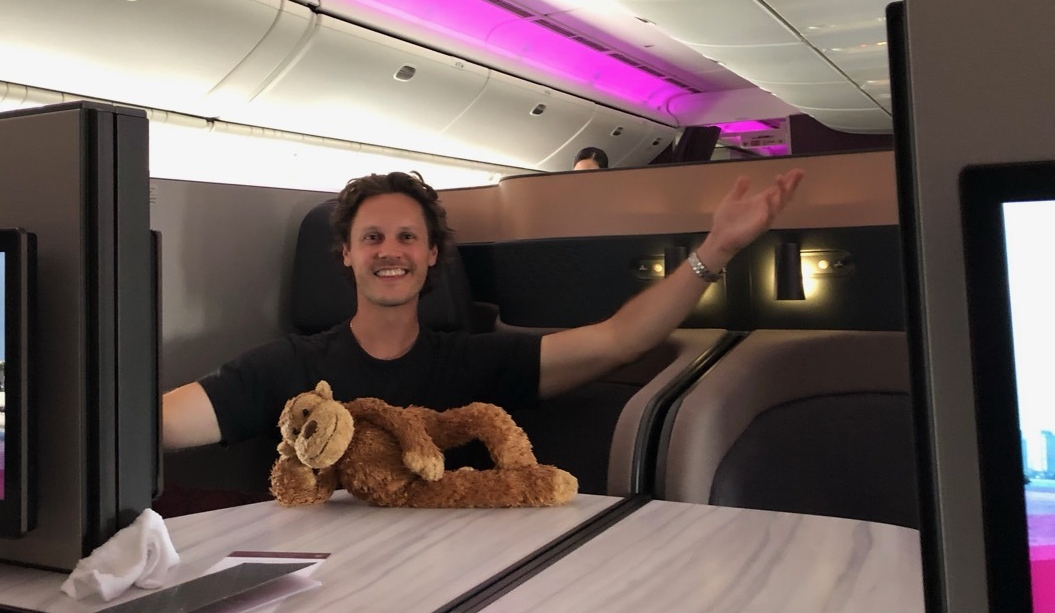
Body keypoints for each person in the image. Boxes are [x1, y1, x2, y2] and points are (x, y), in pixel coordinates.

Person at [161, 167, 805, 450]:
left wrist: (715, 249)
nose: (391, 251)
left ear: (433, 255)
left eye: (408, 237)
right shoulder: (287, 369)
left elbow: (618, 341)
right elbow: (160, 424)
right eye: (373, 238)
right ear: (346, 257)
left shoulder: (476, 364)